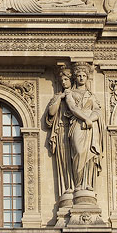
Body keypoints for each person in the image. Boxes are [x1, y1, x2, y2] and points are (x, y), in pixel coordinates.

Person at [65, 63, 103, 192]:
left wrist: (91, 119)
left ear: (87, 78)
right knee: (79, 152)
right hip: (78, 124)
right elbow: (72, 108)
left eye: (84, 76)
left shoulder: (91, 95)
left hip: (90, 127)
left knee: (89, 154)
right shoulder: (70, 93)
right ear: (75, 78)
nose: (81, 78)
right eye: (79, 76)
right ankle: (78, 183)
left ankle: (86, 183)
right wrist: (85, 118)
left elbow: (98, 111)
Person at [45, 66, 74, 200]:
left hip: (76, 130)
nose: (63, 82)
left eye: (66, 79)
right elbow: (51, 112)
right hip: (62, 130)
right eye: (61, 80)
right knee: (64, 161)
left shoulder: (77, 95)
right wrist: (60, 98)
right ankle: (67, 188)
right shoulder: (58, 96)